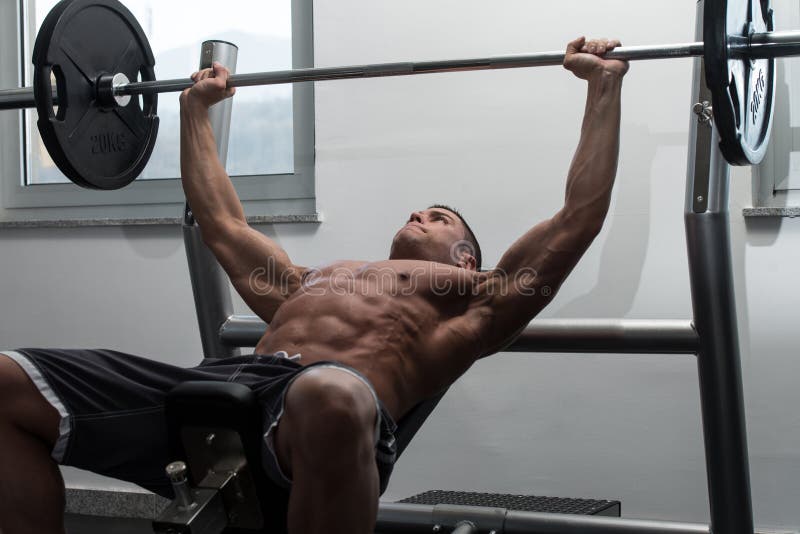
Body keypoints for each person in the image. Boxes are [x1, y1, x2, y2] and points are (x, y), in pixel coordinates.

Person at [0, 36, 628, 534]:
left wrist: (603, 88)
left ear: (465, 259)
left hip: (326, 408)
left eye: (440, 218)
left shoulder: (480, 299)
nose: (419, 214)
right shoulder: (308, 282)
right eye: (419, 209)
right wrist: (195, 111)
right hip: (230, 389)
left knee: (329, 394)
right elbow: (222, 223)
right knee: (4, 383)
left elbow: (577, 218)